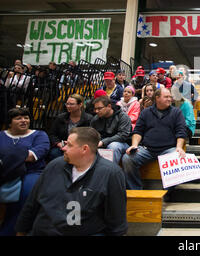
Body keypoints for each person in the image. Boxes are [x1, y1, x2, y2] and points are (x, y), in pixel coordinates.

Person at [15, 127, 128, 236]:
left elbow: (116, 219)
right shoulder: (54, 165)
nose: (63, 148)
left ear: (84, 149)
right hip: (43, 231)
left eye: (69, 145)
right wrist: (21, 230)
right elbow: (32, 202)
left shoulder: (111, 173)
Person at [121, 88, 187, 190]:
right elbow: (138, 131)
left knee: (175, 156)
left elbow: (181, 132)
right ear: (157, 98)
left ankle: (167, 193)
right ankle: (136, 190)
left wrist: (179, 147)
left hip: (168, 149)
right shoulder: (146, 112)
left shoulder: (176, 112)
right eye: (166, 97)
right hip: (147, 149)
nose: (169, 99)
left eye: (170, 97)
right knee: (127, 158)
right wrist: (134, 145)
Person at [0, 108, 50, 236]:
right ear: (10, 122)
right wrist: (19, 154)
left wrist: (5, 156)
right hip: (3, 171)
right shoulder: (1, 135)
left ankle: (15, 230)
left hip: (31, 171)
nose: (23, 121)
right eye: (18, 118)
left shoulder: (39, 135)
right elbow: (23, 155)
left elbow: (33, 156)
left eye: (26, 118)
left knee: (27, 192)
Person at [48, 94, 93, 161]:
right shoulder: (61, 118)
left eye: (71, 104)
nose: (68, 106)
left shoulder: (88, 119)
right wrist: (59, 143)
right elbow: (52, 134)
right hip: (63, 146)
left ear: (80, 104)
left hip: (80, 145)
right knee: (54, 153)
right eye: (67, 104)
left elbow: (90, 136)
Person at [90, 96, 132, 165]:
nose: (96, 111)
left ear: (109, 106)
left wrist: (103, 142)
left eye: (99, 108)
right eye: (95, 109)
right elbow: (91, 134)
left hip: (122, 144)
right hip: (101, 143)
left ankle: (110, 173)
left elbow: (123, 136)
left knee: (113, 146)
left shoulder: (123, 117)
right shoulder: (95, 119)